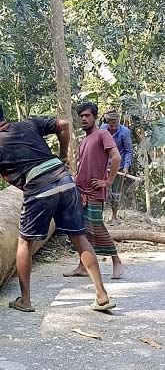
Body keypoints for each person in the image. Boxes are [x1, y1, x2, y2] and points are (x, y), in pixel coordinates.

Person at [0, 100, 115, 312]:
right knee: (80, 238)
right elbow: (63, 124)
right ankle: (102, 295)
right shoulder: (27, 124)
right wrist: (63, 155)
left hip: (39, 188)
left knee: (24, 243)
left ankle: (25, 300)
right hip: (65, 181)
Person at [65, 102, 125, 279]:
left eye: (87, 115)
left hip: (94, 192)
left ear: (95, 117)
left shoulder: (102, 134)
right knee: (81, 230)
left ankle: (117, 262)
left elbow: (116, 157)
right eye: (81, 116)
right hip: (80, 192)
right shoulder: (83, 141)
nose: (84, 119)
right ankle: (82, 266)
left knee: (97, 227)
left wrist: (108, 181)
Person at [100, 109, 134, 226]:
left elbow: (129, 150)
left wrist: (125, 167)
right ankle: (99, 217)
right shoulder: (102, 129)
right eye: (111, 122)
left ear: (118, 120)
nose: (113, 125)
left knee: (116, 192)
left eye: (115, 122)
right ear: (107, 121)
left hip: (118, 167)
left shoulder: (125, 132)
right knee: (102, 191)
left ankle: (114, 217)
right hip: (104, 166)